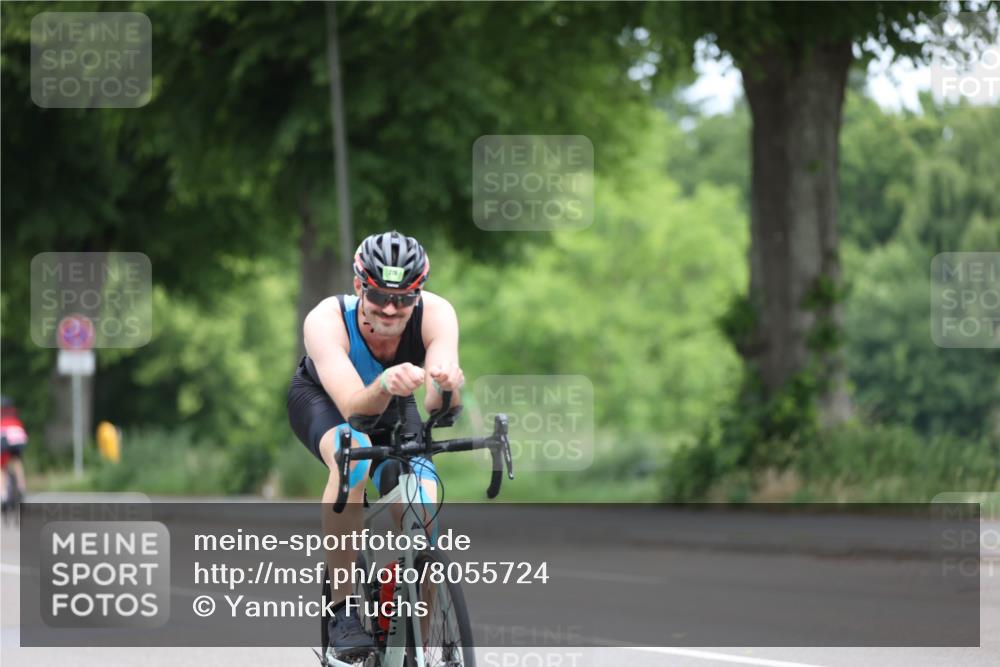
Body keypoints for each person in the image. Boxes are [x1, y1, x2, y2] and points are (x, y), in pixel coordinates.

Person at [286, 231, 465, 660]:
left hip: (397, 399)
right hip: (326, 401)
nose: (390, 308)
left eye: (403, 299)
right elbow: (354, 408)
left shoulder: (437, 314)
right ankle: (342, 610)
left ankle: (420, 649)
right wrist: (384, 381)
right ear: (358, 286)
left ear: (417, 294)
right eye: (379, 295)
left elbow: (442, 408)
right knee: (353, 460)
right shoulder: (325, 320)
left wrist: (447, 387)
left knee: (422, 502)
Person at [0, 396, 29, 509]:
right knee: (17, 461)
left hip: (4, 438)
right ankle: (21, 487)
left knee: (1, 468)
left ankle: (3, 495)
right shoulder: (14, 413)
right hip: (19, 437)